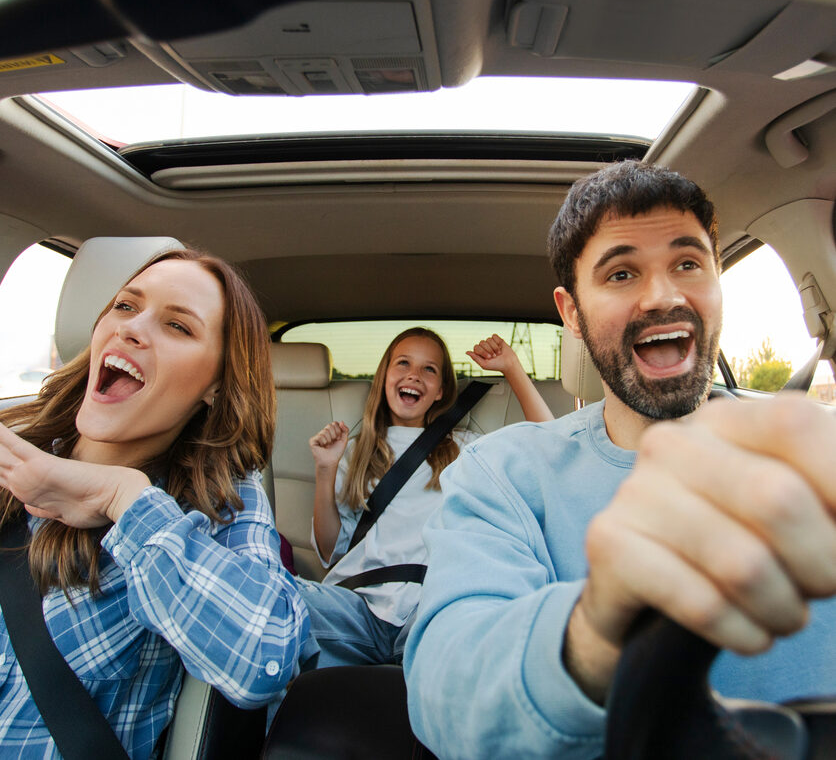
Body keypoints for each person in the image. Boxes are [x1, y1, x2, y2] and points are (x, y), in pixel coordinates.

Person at [404, 160, 836, 758]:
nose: (663, 295)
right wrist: (595, 628)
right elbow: (445, 687)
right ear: (572, 312)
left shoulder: (813, 449)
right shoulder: (501, 474)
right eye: (622, 272)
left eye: (688, 263)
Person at [0, 248, 309, 758]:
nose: (132, 328)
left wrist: (121, 496)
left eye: (178, 326)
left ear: (214, 385)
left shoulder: (215, 499)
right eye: (125, 306)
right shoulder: (17, 437)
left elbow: (265, 657)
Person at [298, 327, 553, 669]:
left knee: (476, 631)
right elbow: (330, 552)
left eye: (429, 369)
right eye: (402, 363)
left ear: (440, 392)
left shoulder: (466, 447)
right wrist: (326, 469)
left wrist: (512, 368)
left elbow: (551, 447)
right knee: (282, 605)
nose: (414, 375)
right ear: (384, 377)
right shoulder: (354, 451)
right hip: (355, 604)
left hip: (432, 602)